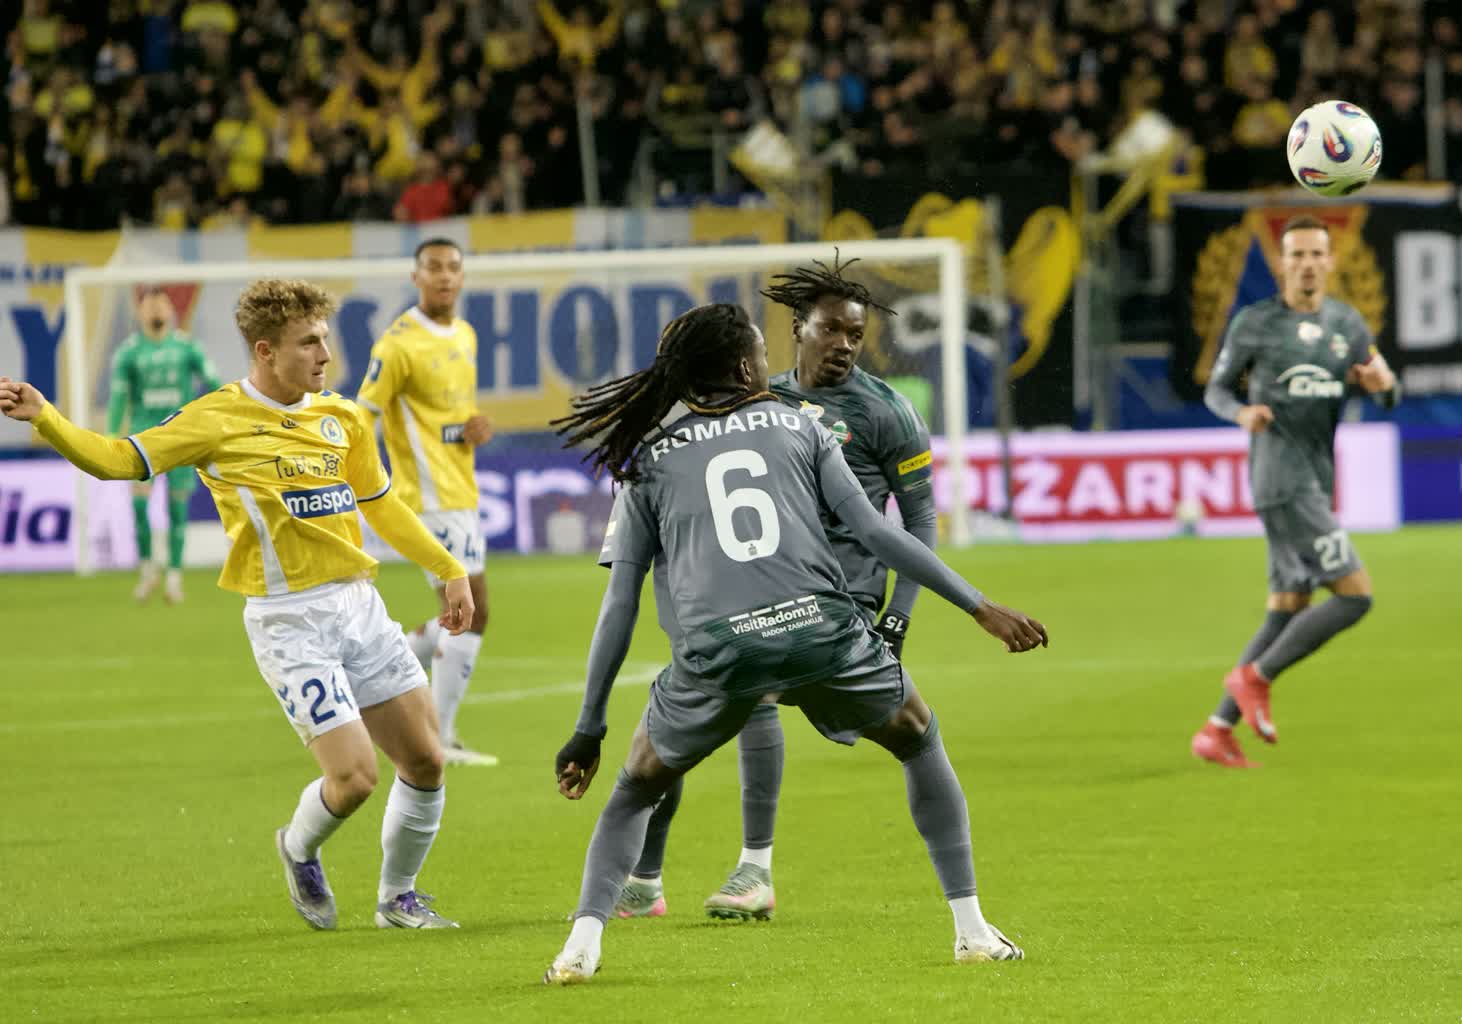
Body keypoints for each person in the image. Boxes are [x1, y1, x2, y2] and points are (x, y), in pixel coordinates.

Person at [542, 303, 1047, 983]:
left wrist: (588, 729)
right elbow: (877, 532)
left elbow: (620, 604)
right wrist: (979, 606)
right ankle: (973, 931)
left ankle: (581, 947)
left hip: (717, 654)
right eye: (759, 350)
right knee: (919, 738)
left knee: (634, 790)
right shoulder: (800, 424)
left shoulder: (649, 458)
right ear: (744, 365)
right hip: (822, 635)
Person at [0, 279, 474, 931]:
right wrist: (46, 417)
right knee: (355, 778)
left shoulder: (341, 418)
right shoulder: (215, 419)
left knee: (425, 759)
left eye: (324, 340)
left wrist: (448, 569)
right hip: (288, 619)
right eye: (307, 343)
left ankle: (398, 899)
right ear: (264, 351)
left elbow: (380, 504)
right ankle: (298, 846)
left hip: (359, 604)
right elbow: (119, 460)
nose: (324, 355)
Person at [615, 256, 937, 923]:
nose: (844, 344)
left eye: (855, 333)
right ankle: (644, 880)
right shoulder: (763, 401)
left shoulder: (887, 412)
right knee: (670, 721)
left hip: (839, 600)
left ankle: (754, 869)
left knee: (754, 687)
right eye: (832, 329)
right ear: (798, 329)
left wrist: (899, 617)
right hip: (753, 589)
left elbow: (920, 520)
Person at [1191, 216, 1399, 768]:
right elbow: (1215, 389)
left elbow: (1387, 389)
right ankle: (1255, 678)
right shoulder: (1255, 323)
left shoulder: (1346, 323)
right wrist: (1241, 412)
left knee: (1289, 605)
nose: (1306, 264)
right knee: (1355, 595)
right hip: (1280, 479)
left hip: (1314, 481)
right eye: (1296, 255)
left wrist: (1385, 386)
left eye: (1315, 254)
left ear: (1330, 261)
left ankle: (1216, 730)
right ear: (1281, 263)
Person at [357, 238, 497, 767]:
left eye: (453, 268)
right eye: (433, 268)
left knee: (460, 612)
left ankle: (379, 661)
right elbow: (363, 414)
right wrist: (360, 478)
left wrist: (472, 428)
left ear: (462, 277)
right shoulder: (397, 345)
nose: (444, 276)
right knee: (473, 610)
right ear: (415, 277)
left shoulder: (465, 334)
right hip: (426, 496)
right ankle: (438, 740)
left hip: (461, 489)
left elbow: (450, 419)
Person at [105, 287, 222, 603]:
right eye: (150, 306)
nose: (156, 311)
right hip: (143, 439)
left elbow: (214, 384)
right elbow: (118, 398)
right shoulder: (128, 353)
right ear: (140, 312)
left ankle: (173, 578)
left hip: (181, 437)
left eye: (161, 305)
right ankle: (147, 570)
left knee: (177, 508)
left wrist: (225, 414)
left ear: (171, 311)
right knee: (139, 506)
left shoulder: (187, 348)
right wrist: (111, 434)